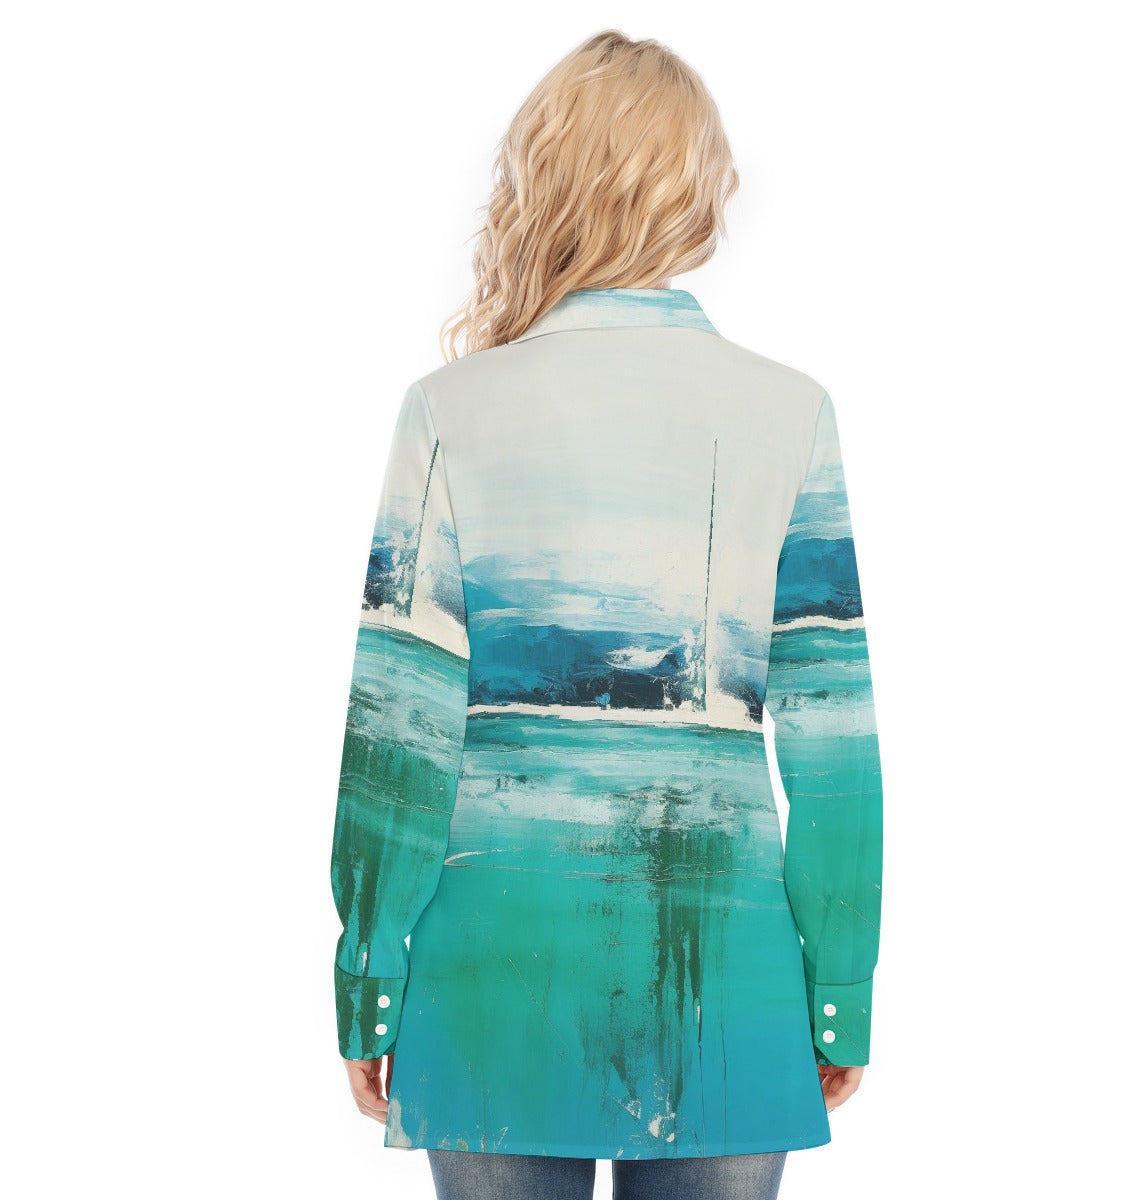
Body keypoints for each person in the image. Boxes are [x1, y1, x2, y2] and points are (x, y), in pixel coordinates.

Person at [328, 28, 884, 1200]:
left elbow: (398, 736)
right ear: (696, 191)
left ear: (543, 177)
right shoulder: (790, 412)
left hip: (485, 979)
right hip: (727, 984)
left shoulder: (448, 410)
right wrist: (839, 985)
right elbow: (834, 745)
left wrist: (369, 977)